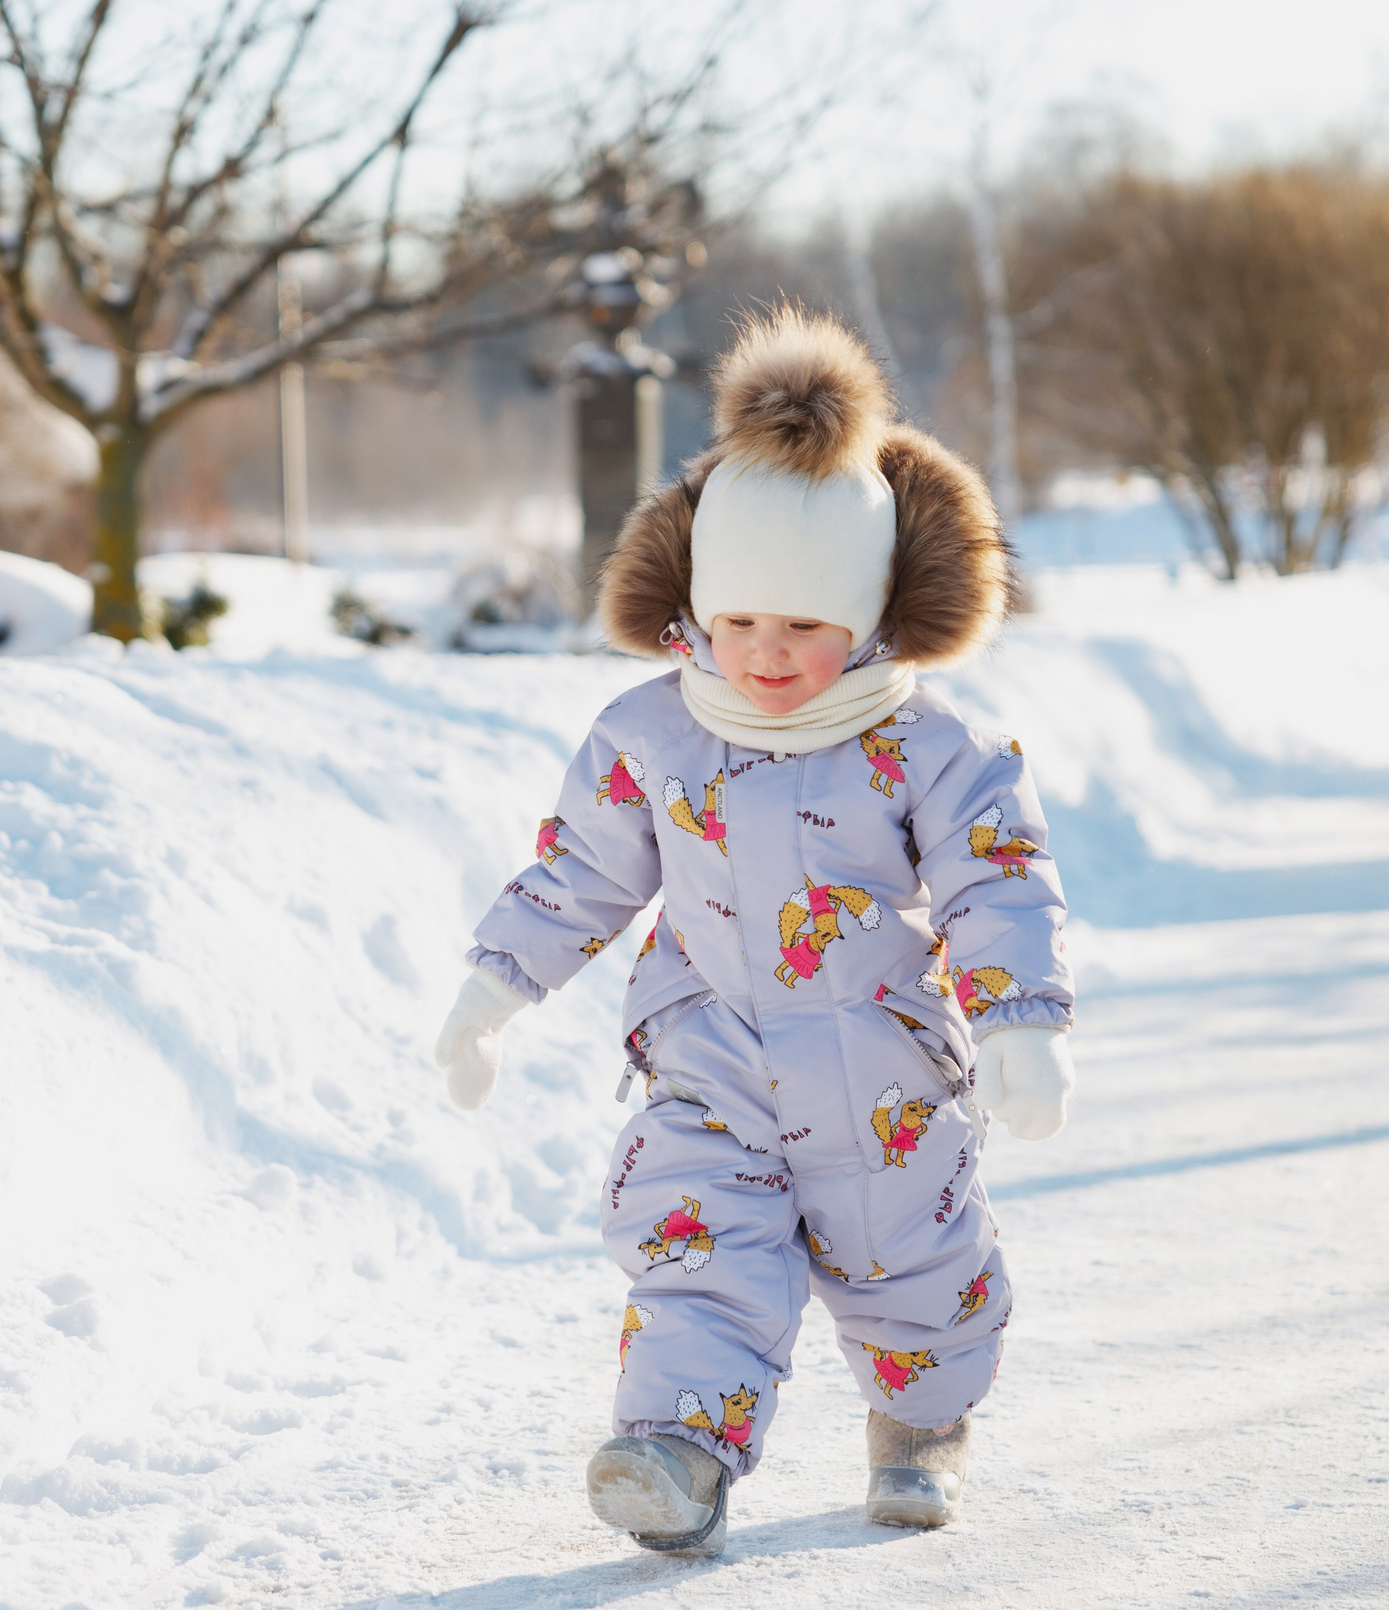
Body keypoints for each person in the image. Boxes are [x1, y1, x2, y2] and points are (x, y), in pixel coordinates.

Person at [431, 308, 1077, 1556]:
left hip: (876, 1067)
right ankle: (677, 1452)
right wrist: (490, 991)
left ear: (869, 613)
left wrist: (1022, 1020)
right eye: (740, 622)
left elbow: (996, 881)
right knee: (694, 1250)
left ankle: (920, 1422)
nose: (767, 654)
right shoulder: (652, 734)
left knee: (914, 1271)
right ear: (697, 608)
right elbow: (576, 877)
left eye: (803, 625)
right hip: (707, 1060)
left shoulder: (927, 744)